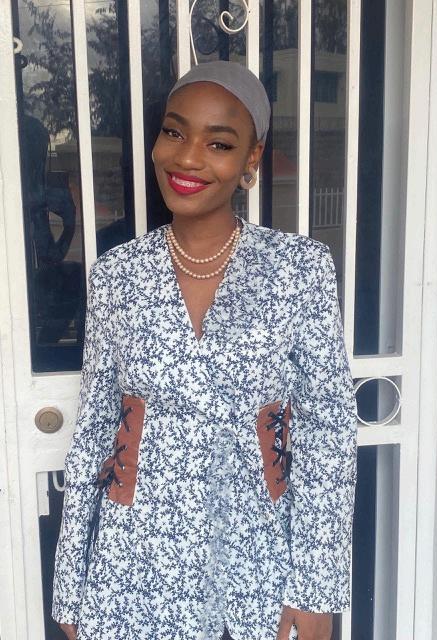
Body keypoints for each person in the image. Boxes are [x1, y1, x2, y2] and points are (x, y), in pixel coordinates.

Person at [51, 60, 358, 640]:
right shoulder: (118, 276)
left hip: (260, 566)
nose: (188, 158)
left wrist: (316, 591)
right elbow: (95, 429)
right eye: (174, 132)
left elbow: (328, 433)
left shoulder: (298, 270)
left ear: (251, 160)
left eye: (219, 143)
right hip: (131, 569)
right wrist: (72, 585)